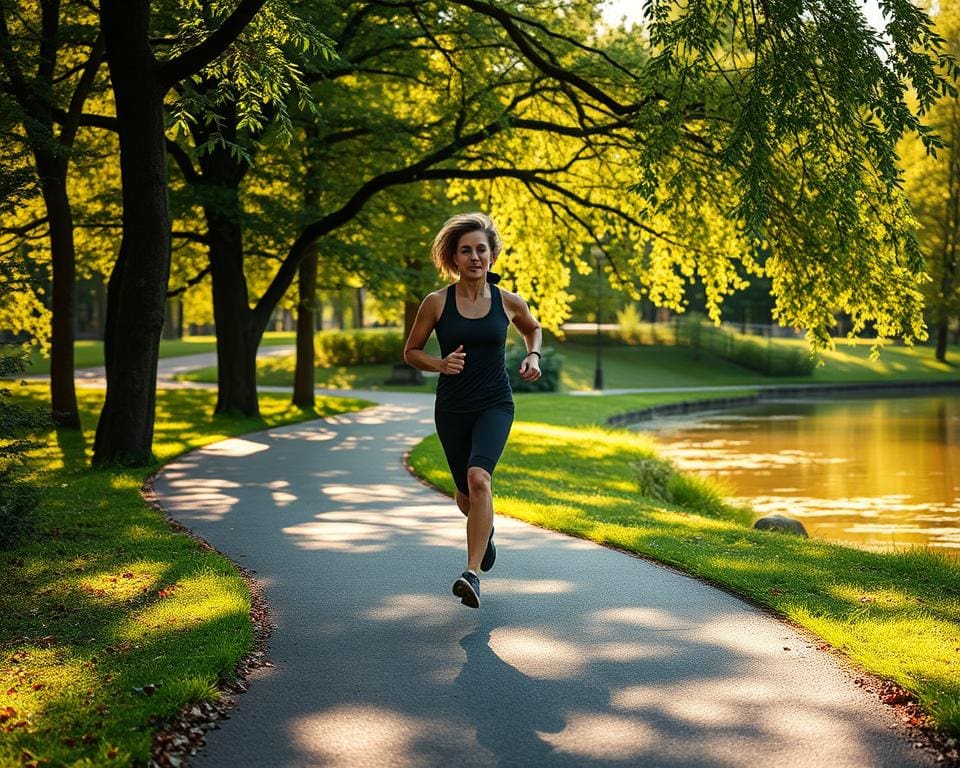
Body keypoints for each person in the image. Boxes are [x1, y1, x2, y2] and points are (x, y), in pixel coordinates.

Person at [403, 212, 542, 609]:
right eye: (466, 250)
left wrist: (533, 356)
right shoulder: (436, 303)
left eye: (481, 249)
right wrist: (440, 364)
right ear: (454, 258)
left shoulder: (509, 302)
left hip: (495, 402)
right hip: (452, 409)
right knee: (466, 497)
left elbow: (533, 328)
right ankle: (487, 529)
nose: (474, 257)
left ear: (493, 255)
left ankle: (471, 574)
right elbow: (410, 352)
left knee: (480, 479)